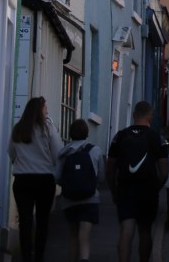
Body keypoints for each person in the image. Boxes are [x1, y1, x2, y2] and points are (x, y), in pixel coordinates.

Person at [107, 101, 169, 262]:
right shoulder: (156, 138)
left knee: (126, 230)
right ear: (150, 117)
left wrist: (114, 190)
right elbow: (164, 172)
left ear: (134, 115)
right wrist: (155, 188)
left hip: (125, 189)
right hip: (147, 190)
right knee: (145, 230)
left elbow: (110, 166)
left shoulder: (120, 136)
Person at [8, 96, 63, 262]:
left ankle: (26, 255)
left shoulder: (18, 129)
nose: (47, 111)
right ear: (39, 110)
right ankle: (39, 256)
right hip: (44, 179)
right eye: (45, 108)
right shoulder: (48, 128)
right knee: (42, 220)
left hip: (23, 180)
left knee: (25, 221)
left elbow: (11, 152)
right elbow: (58, 152)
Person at [55, 119, 106, 262]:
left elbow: (57, 177)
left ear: (71, 133)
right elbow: (101, 177)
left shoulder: (64, 152)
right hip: (90, 199)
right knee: (85, 237)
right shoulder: (95, 151)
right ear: (86, 133)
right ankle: (84, 258)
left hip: (69, 201)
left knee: (73, 237)